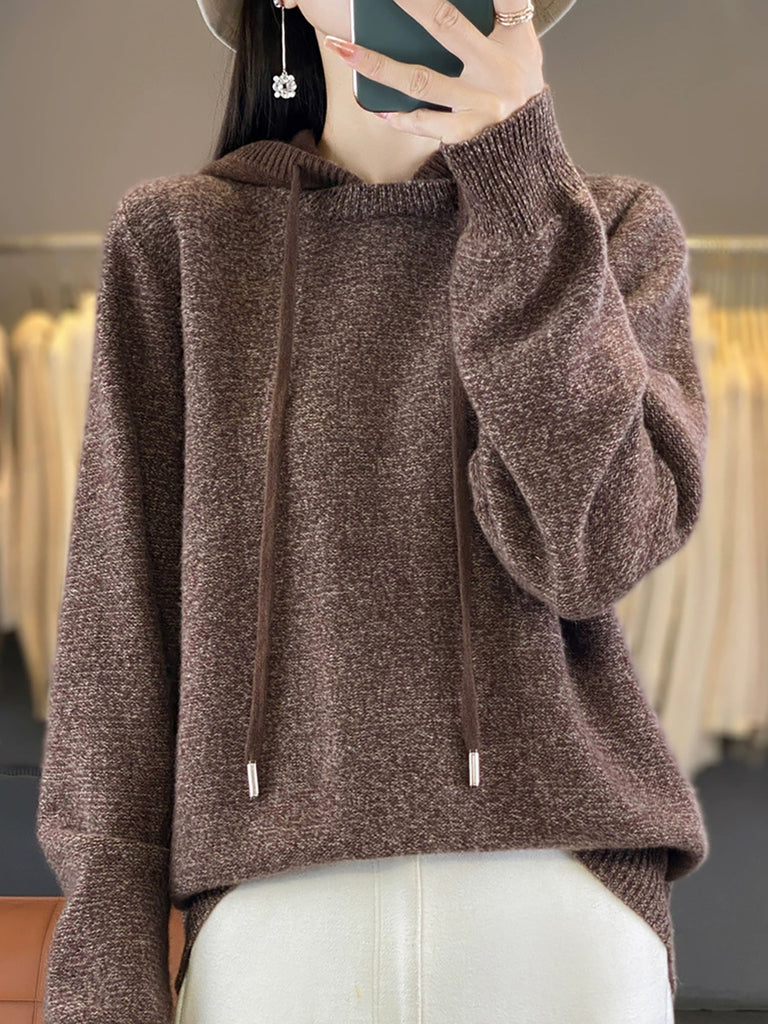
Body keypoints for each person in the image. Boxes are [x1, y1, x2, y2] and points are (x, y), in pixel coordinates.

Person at [36, 1, 708, 1022]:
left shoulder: (608, 230)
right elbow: (115, 638)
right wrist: (102, 981)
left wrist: (520, 182)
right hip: (274, 937)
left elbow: (591, 551)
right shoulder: (179, 241)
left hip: (558, 913)